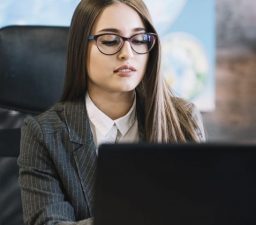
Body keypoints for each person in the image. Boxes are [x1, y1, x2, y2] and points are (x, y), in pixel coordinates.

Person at [18, 0, 206, 224]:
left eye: (139, 39)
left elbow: (200, 213)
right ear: (80, 48)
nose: (127, 53)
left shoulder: (182, 118)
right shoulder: (42, 134)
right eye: (110, 40)